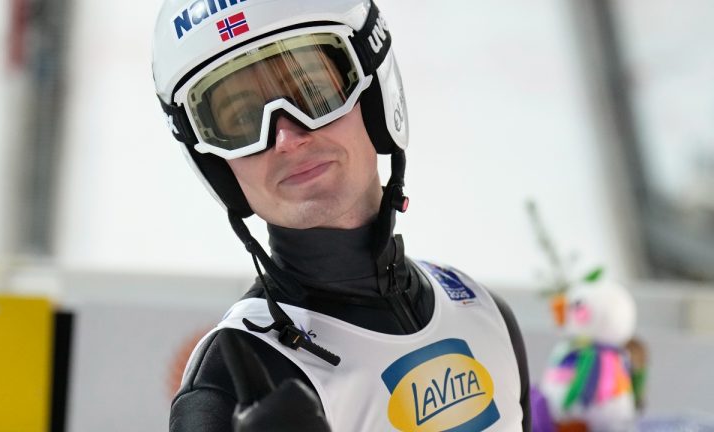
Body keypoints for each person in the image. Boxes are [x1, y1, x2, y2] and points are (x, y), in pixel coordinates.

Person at [152, 0, 531, 430]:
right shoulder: (227, 390)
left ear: (375, 94)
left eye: (312, 91)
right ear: (218, 167)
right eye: (241, 117)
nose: (287, 137)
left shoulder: (482, 311)